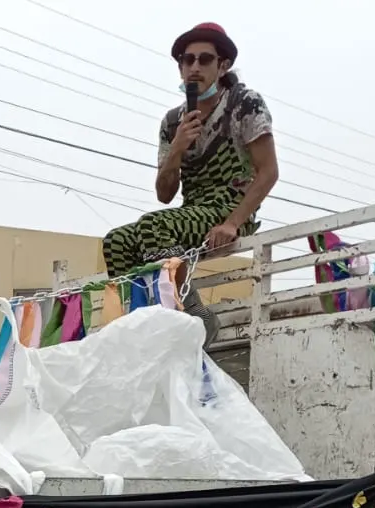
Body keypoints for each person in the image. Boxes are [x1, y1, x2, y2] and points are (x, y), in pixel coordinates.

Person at [101, 23, 278, 341]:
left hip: (230, 209)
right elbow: (164, 194)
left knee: (153, 226)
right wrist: (178, 148)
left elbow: (269, 172)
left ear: (222, 65)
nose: (194, 67)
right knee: (116, 241)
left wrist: (232, 223)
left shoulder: (243, 103)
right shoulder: (173, 122)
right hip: (191, 213)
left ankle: (194, 314)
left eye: (205, 59)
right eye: (187, 60)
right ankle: (147, 321)